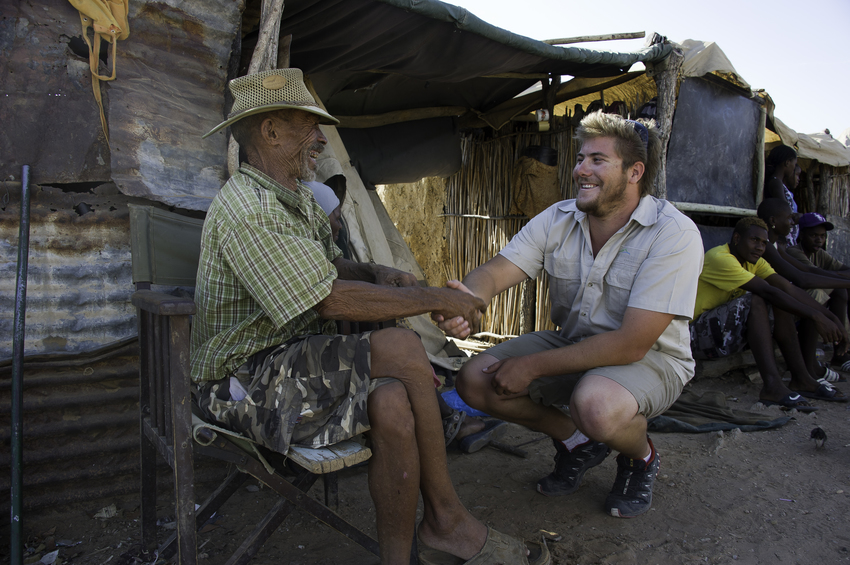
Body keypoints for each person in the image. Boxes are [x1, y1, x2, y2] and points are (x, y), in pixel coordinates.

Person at [192, 69, 548, 565]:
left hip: (291, 364)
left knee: (394, 403)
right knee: (402, 348)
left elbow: (324, 268)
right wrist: (434, 299)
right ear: (270, 131)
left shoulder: (291, 198)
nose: (319, 138)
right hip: (240, 381)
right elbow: (327, 300)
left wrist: (375, 271)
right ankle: (447, 517)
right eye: (307, 126)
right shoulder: (248, 209)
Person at [438, 111, 704, 518]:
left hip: (651, 358)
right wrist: (467, 301)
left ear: (634, 172)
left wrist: (530, 366)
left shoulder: (674, 234)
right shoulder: (559, 217)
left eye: (597, 160)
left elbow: (632, 343)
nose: (581, 169)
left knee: (596, 404)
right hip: (576, 343)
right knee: (475, 381)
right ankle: (579, 442)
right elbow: (497, 270)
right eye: (581, 158)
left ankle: (640, 457)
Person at [691, 217, 847, 411]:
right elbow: (768, 292)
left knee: (780, 300)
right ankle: (772, 386)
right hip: (694, 336)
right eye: (754, 240)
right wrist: (817, 317)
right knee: (758, 299)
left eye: (764, 243)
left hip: (723, 335)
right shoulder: (719, 258)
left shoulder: (755, 262)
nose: (759, 247)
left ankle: (801, 378)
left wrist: (831, 318)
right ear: (737, 238)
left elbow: (787, 289)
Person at [756, 199, 850, 383]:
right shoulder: (765, 246)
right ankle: (808, 370)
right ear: (773, 220)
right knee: (810, 299)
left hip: (776, 297)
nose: (792, 223)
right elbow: (802, 279)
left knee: (815, 299)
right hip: (763, 303)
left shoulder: (777, 246)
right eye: (789, 218)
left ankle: (812, 368)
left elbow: (808, 270)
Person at [786, 212, 850, 372]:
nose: (819, 240)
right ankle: (810, 364)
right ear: (802, 234)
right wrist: (839, 278)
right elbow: (814, 276)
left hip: (807, 304)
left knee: (840, 290)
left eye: (822, 236)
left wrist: (838, 277)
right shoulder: (794, 252)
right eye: (813, 235)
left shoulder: (820, 254)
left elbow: (845, 270)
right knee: (822, 294)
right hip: (789, 308)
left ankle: (840, 353)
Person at [763, 145, 799, 246]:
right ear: (787, 163)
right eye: (794, 164)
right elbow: (785, 211)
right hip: (783, 240)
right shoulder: (775, 183)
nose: (794, 168)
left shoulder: (778, 183)